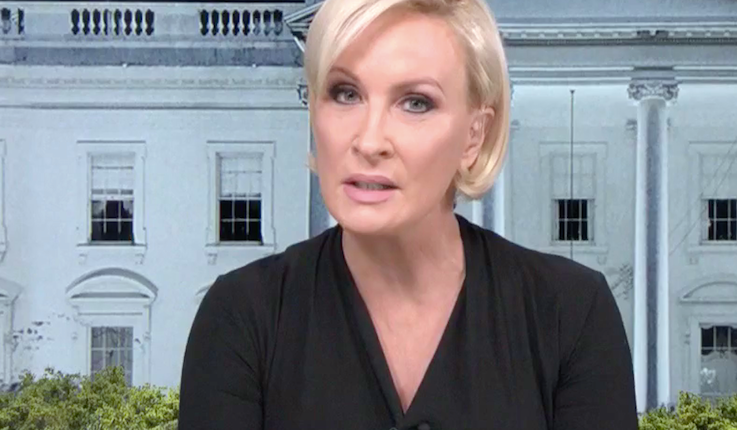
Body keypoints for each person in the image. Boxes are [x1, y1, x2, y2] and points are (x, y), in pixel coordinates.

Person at [177, 0, 638, 428]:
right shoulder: (241, 316)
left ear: (474, 135)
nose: (369, 141)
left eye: (416, 102)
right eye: (345, 93)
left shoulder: (570, 314)